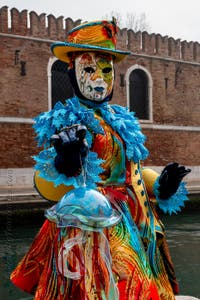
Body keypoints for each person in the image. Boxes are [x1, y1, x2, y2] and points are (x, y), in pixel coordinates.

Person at [10, 19, 191, 300]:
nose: (98, 78)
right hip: (93, 220)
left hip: (136, 217)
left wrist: (161, 186)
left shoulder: (121, 120)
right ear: (73, 73)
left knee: (146, 285)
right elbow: (45, 183)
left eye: (106, 70)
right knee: (121, 285)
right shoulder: (65, 120)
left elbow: (132, 170)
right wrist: (64, 164)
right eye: (89, 69)